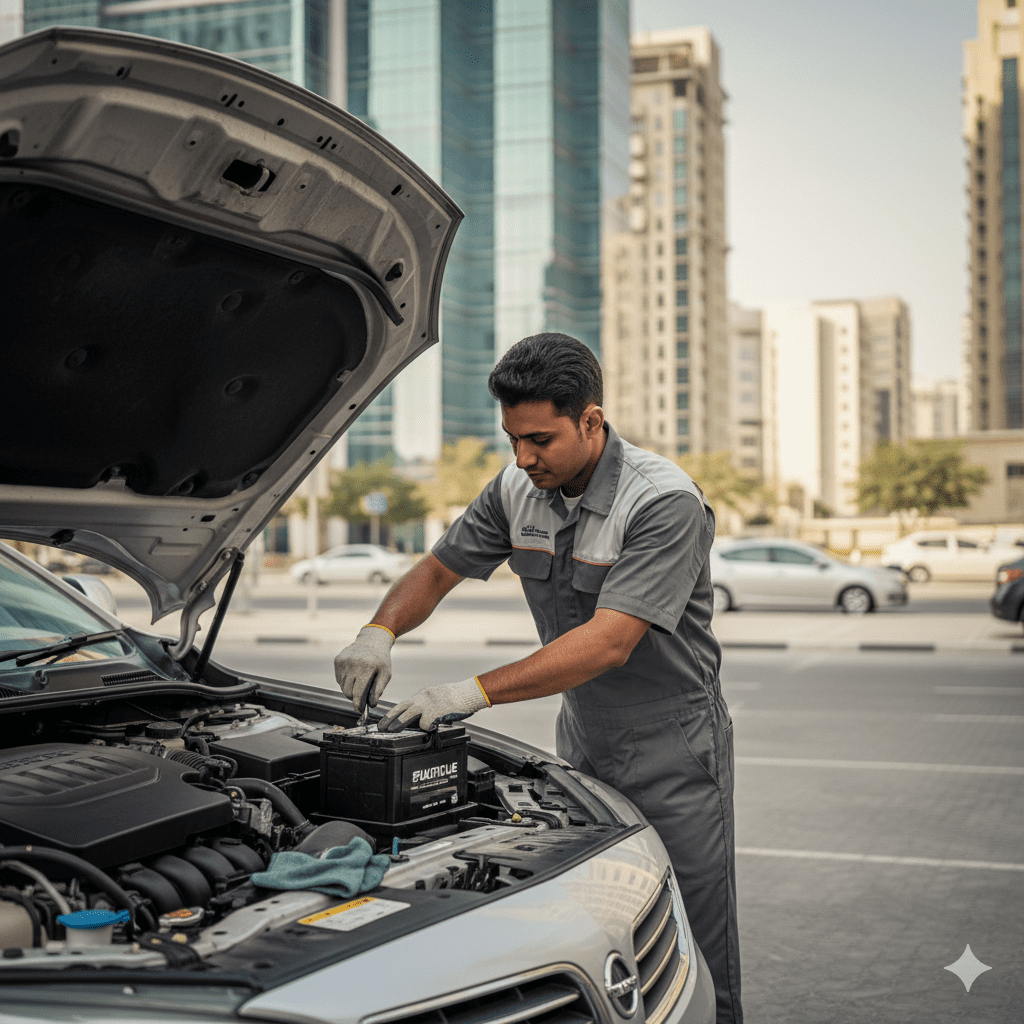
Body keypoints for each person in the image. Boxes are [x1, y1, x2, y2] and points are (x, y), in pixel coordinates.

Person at [334, 333, 741, 1023]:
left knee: (692, 939)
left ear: (591, 420)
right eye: (513, 440)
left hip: (675, 746)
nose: (523, 457)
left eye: (540, 440)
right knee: (604, 922)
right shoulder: (515, 489)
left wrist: (471, 692)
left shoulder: (661, 501)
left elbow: (609, 643)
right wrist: (379, 631)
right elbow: (438, 569)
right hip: (581, 737)